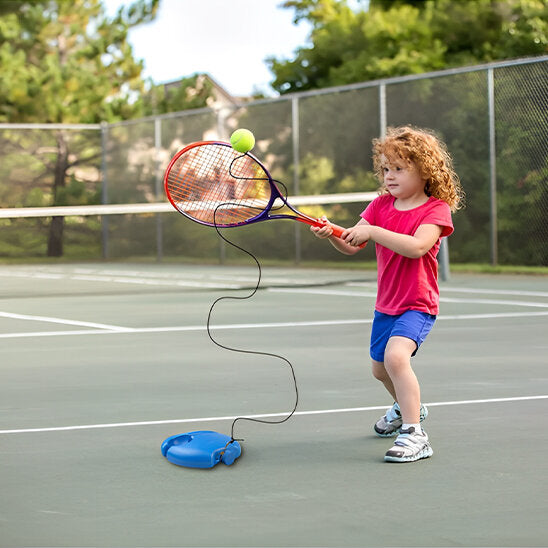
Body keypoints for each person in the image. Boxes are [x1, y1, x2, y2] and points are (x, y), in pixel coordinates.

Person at [311, 126, 464, 462]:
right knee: (380, 370)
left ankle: (415, 434)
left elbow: (417, 247)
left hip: (417, 303)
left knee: (396, 358)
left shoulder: (435, 210)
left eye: (399, 168)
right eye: (385, 169)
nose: (389, 176)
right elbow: (354, 245)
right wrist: (333, 235)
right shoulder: (380, 205)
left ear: (424, 171)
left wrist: (374, 231)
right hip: (386, 305)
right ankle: (407, 407)